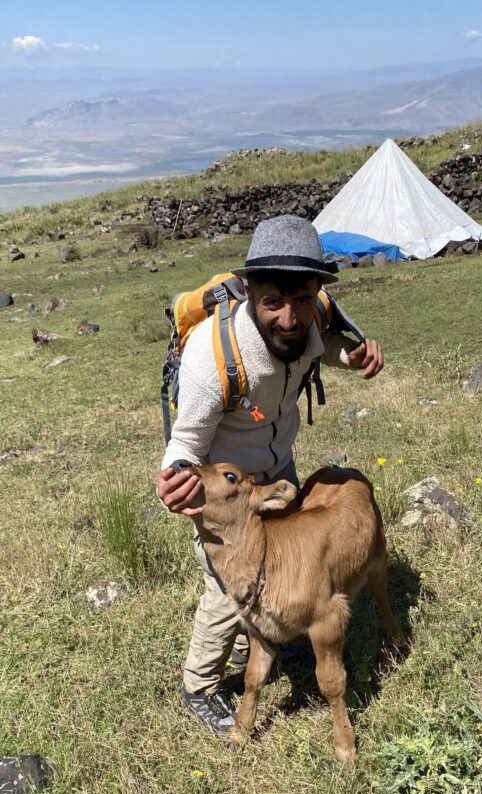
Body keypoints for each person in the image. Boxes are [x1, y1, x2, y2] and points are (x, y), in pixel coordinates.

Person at [156, 215, 385, 737]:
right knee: (229, 584)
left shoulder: (308, 321)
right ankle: (199, 684)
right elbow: (186, 443)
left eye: (302, 299)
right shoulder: (210, 360)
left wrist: (350, 356)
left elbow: (318, 345)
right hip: (224, 485)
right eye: (273, 302)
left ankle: (262, 638)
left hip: (277, 464)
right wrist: (173, 480)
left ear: (316, 293)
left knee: (282, 561)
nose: (288, 317)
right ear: (249, 292)